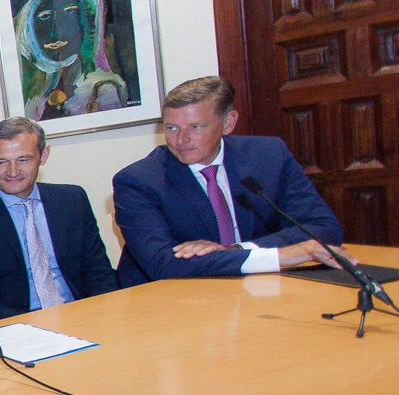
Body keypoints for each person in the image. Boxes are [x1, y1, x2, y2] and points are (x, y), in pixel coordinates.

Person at [111, 76, 344, 285]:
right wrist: (281, 256)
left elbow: (324, 227)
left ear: (228, 123)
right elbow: (164, 264)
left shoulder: (269, 155)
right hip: (171, 300)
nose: (181, 140)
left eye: (196, 127)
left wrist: (237, 250)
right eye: (171, 128)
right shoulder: (137, 181)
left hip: (258, 288)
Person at [0, 116, 119, 320]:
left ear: (43, 155)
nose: (12, 171)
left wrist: (105, 314)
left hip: (83, 312)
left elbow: (99, 272)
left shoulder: (72, 200)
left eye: (23, 160)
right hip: (18, 324)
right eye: (2, 162)